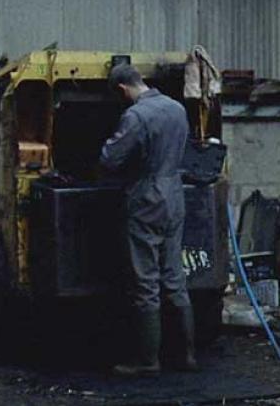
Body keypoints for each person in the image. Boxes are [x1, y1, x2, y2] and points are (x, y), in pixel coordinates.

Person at [99, 64, 197, 376]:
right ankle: (187, 356)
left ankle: (147, 361)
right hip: (174, 194)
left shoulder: (136, 116)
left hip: (147, 197)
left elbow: (110, 159)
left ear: (122, 89)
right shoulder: (177, 108)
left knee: (146, 280)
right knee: (175, 277)